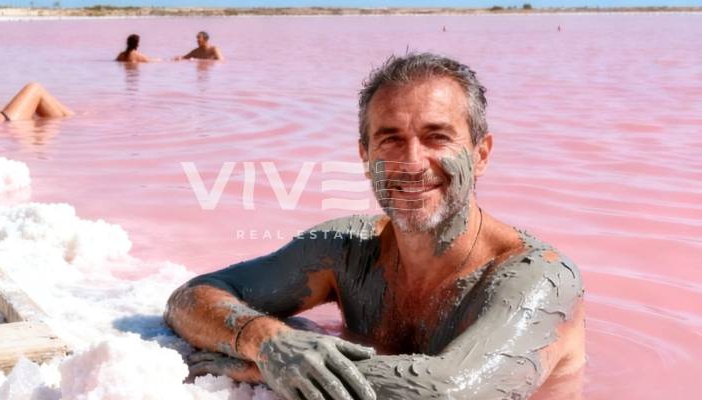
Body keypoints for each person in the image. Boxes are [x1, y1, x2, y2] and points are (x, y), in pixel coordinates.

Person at [165, 53, 585, 400]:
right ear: (365, 156)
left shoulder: (538, 277)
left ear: (481, 154)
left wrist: (263, 371)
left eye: (437, 137)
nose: (411, 163)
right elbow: (192, 298)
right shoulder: (345, 250)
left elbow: (456, 392)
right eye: (390, 140)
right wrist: (269, 342)